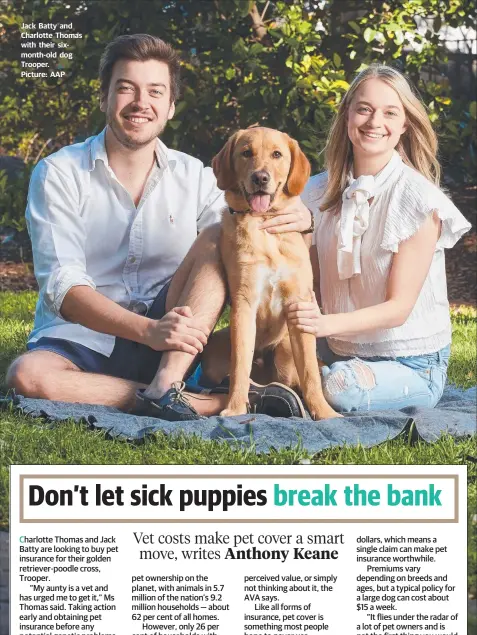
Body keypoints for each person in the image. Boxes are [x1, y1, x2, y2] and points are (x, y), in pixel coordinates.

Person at [6, 34, 313, 421]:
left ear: (170, 107)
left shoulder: (196, 178)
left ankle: (168, 383)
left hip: (175, 340)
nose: (140, 103)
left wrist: (303, 218)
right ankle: (205, 402)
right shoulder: (58, 173)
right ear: (105, 97)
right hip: (83, 337)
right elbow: (63, 288)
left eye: (155, 91)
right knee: (27, 376)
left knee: (220, 233)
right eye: (126, 89)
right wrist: (148, 330)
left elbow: (254, 246)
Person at [288, 64, 471, 413]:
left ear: (404, 125)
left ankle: (286, 392)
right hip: (336, 348)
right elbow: (307, 280)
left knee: (338, 386)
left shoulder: (418, 199)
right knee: (274, 362)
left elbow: (398, 309)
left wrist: (323, 324)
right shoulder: (315, 193)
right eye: (364, 109)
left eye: (390, 113)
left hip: (413, 363)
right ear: (347, 117)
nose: (375, 122)